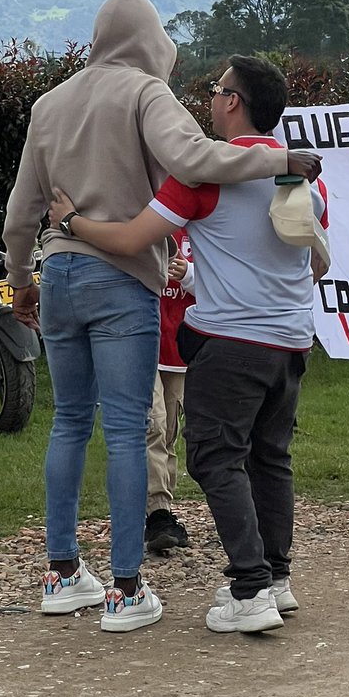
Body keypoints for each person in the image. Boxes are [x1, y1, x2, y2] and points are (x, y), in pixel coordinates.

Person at [3, 0, 321, 633]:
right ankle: (125, 590)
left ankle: (62, 574)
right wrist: (284, 160)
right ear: (152, 42)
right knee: (126, 430)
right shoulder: (147, 93)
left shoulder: (46, 105)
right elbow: (195, 159)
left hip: (58, 269)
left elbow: (19, 212)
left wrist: (20, 281)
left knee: (67, 422)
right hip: (123, 277)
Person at [144, 232, 195, 554]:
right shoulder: (150, 215)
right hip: (141, 337)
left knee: (170, 432)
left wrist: (187, 274)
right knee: (154, 425)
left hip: (181, 344)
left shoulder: (205, 220)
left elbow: (223, 282)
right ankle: (157, 513)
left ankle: (161, 511)